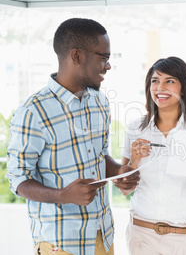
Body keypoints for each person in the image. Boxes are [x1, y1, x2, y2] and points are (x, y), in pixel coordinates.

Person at [6, 18, 140, 255]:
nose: (108, 66)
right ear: (76, 56)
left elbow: (99, 156)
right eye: (104, 58)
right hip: (60, 244)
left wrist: (119, 172)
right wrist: (63, 196)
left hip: (103, 236)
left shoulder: (100, 102)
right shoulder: (33, 111)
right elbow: (17, 179)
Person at [120, 56, 186, 255]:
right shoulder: (136, 129)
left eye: (169, 81)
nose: (160, 87)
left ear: (184, 88)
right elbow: (125, 189)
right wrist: (134, 161)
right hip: (142, 236)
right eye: (155, 81)